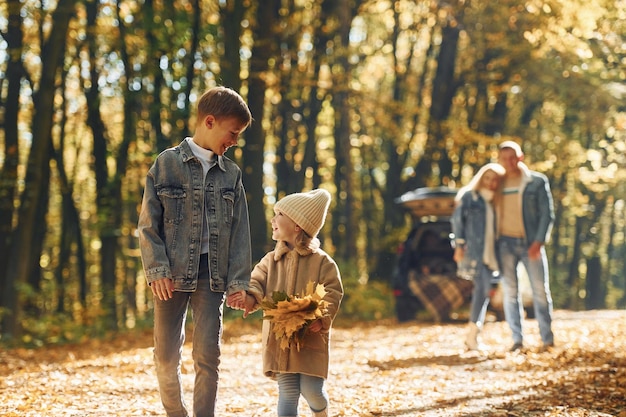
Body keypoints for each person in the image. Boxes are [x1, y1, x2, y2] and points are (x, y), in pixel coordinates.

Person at [137, 86, 253, 417]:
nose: (234, 141)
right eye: (233, 133)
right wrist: (156, 268)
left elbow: (240, 231)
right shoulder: (166, 164)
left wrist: (238, 281)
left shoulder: (232, 174)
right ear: (211, 121)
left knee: (207, 354)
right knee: (165, 356)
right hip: (170, 275)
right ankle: (176, 413)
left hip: (210, 275)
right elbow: (147, 225)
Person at [239, 189, 343, 417]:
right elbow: (256, 282)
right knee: (287, 390)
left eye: (279, 215)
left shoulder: (322, 262)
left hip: (310, 336)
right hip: (280, 338)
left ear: (297, 225)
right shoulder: (270, 260)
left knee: (311, 390)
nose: (273, 220)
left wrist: (322, 317)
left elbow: (333, 291)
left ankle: (321, 411)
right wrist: (248, 298)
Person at [496, 140, 555, 352]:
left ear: (520, 157)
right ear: (499, 160)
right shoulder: (497, 183)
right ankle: (517, 341)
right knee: (510, 293)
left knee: (540, 291)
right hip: (504, 245)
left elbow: (547, 215)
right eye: (504, 158)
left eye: (513, 157)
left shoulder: (537, 182)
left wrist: (538, 242)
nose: (509, 162)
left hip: (531, 243)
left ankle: (547, 340)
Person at [451, 163, 506, 350]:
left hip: (493, 254)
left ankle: (473, 335)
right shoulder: (470, 197)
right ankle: (473, 335)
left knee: (484, 293)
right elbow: (457, 221)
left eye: (495, 179)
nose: (490, 183)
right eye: (487, 178)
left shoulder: (496, 200)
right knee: (481, 291)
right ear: (481, 178)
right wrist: (459, 245)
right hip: (475, 252)